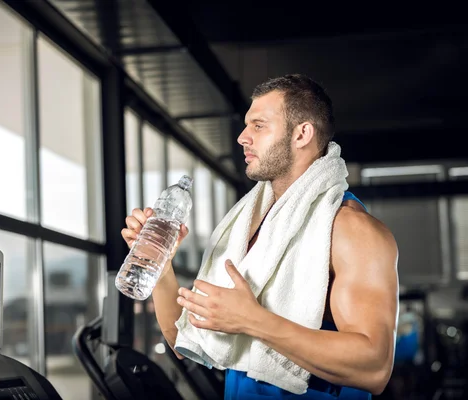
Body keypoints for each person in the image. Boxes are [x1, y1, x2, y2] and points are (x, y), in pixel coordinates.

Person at [121, 74, 399, 399]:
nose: (242, 137)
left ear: (302, 134)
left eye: (258, 126)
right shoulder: (248, 226)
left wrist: (254, 321)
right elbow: (183, 341)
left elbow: (375, 367)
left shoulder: (351, 229)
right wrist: (163, 266)